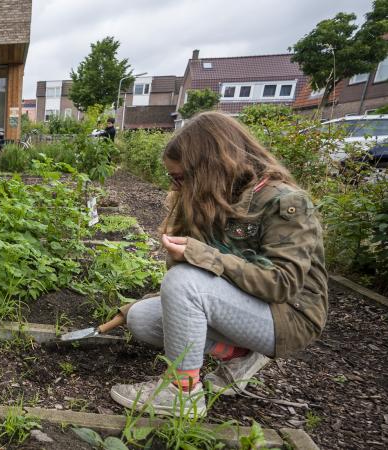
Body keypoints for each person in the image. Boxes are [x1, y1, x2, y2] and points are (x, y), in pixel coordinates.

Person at [108, 111, 328, 417]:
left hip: (287, 316)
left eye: (180, 177)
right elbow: (197, 286)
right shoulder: (214, 198)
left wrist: (205, 257)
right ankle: (241, 355)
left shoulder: (283, 202)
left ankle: (181, 393)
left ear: (209, 167)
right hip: (245, 305)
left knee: (184, 281)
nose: (174, 184)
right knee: (142, 319)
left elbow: (282, 283)